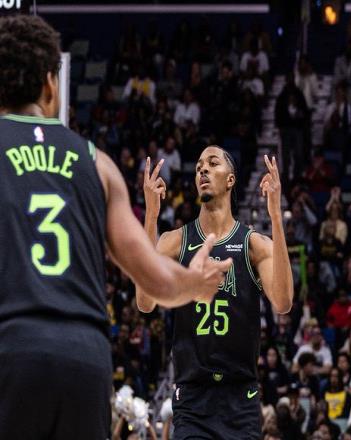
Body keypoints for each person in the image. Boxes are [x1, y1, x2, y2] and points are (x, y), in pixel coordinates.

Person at [0, 15, 232, 440]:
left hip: (12, 349)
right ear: (51, 85)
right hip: (83, 360)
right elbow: (154, 278)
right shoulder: (98, 164)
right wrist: (195, 283)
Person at [138, 149, 294, 439]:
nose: (203, 170)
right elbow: (145, 302)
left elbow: (283, 302)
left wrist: (275, 216)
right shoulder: (176, 241)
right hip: (193, 397)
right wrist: (151, 215)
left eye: (212, 164)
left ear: (230, 180)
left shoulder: (253, 244)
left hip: (240, 398)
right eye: (198, 166)